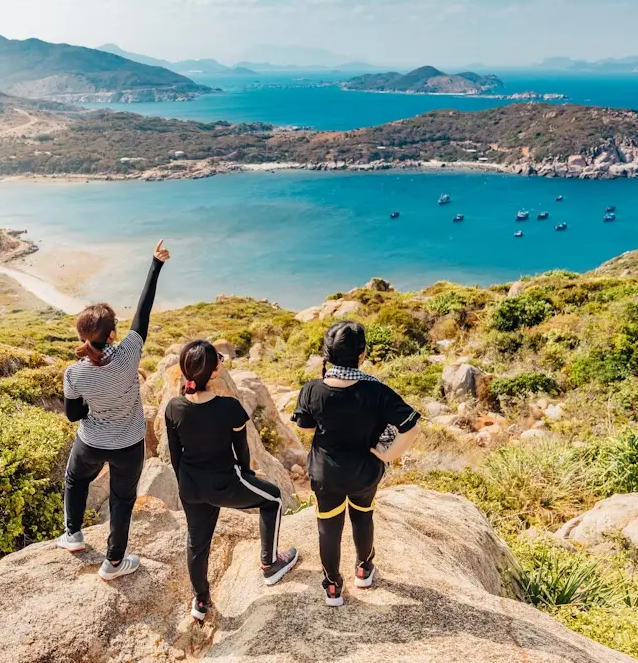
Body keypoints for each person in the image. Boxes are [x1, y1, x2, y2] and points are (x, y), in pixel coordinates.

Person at [56, 239, 170, 581]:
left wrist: (95, 407)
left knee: (76, 480)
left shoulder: (74, 373)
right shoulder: (129, 354)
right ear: (113, 334)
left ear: (81, 334)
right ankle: (114, 563)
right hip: (129, 445)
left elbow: (73, 415)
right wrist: (155, 264)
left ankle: (73, 535)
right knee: (121, 500)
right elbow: (143, 313)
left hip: (91, 442)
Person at [164, 340, 299, 620]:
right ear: (214, 372)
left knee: (197, 543)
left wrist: (185, 484)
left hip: (191, 486)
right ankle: (270, 564)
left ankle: (200, 601)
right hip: (225, 484)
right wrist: (247, 474)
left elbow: (176, 454)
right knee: (273, 498)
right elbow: (241, 449)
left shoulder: (174, 407)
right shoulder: (229, 407)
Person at [292, 321, 420, 606]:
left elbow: (306, 427)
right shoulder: (378, 391)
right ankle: (363, 569)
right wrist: (387, 455)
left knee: (328, 528)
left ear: (327, 354)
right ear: (362, 355)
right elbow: (411, 428)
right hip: (365, 472)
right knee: (363, 517)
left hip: (326, 475)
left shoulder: (312, 389)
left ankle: (332, 587)